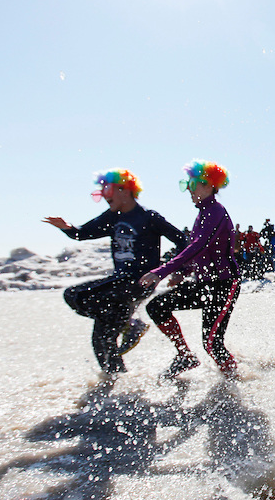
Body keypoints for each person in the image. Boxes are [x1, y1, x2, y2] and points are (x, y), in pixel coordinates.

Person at [43, 168, 187, 374]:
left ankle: (130, 324)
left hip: (138, 282)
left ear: (124, 190)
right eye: (102, 192)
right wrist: (66, 227)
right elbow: (82, 234)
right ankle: (116, 384)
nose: (104, 196)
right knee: (102, 339)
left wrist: (176, 270)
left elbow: (182, 241)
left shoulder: (149, 217)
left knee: (75, 294)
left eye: (108, 191)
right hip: (117, 285)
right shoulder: (112, 217)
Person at [139, 161, 241, 380]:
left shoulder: (216, 212)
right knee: (157, 306)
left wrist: (161, 271)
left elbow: (199, 246)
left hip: (224, 283)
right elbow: (199, 253)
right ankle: (184, 355)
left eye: (193, 184)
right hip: (204, 283)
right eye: (186, 183)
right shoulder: (202, 213)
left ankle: (234, 381)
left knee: (211, 342)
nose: (188, 189)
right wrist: (184, 272)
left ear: (209, 185)